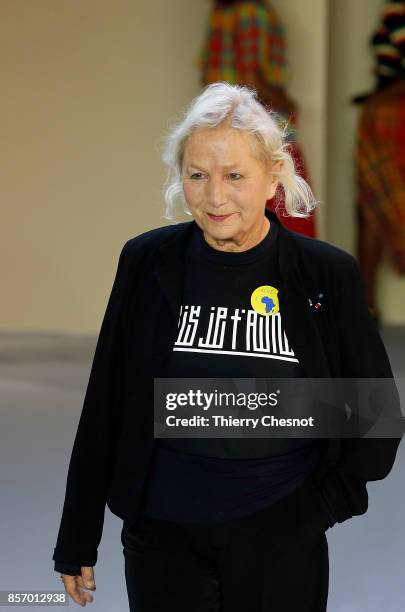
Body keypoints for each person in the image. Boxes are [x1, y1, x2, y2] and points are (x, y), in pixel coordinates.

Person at [53, 82, 402, 610]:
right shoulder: (148, 262)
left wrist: (317, 508)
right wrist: (77, 532)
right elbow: (107, 401)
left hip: (279, 535)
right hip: (160, 535)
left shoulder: (324, 273)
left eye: (235, 175)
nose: (215, 197)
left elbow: (373, 416)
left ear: (273, 178)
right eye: (198, 176)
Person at [197, 0, 317, 238]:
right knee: (291, 221)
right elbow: (250, 80)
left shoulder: (221, 14)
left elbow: (209, 79)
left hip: (225, 131)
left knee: (237, 225)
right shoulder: (251, 12)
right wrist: (289, 106)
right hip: (265, 130)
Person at [353, 0, 405, 324]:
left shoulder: (397, 12)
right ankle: (366, 308)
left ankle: (366, 309)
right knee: (374, 208)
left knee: (371, 209)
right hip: (389, 114)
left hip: (392, 117)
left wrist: (377, 100)